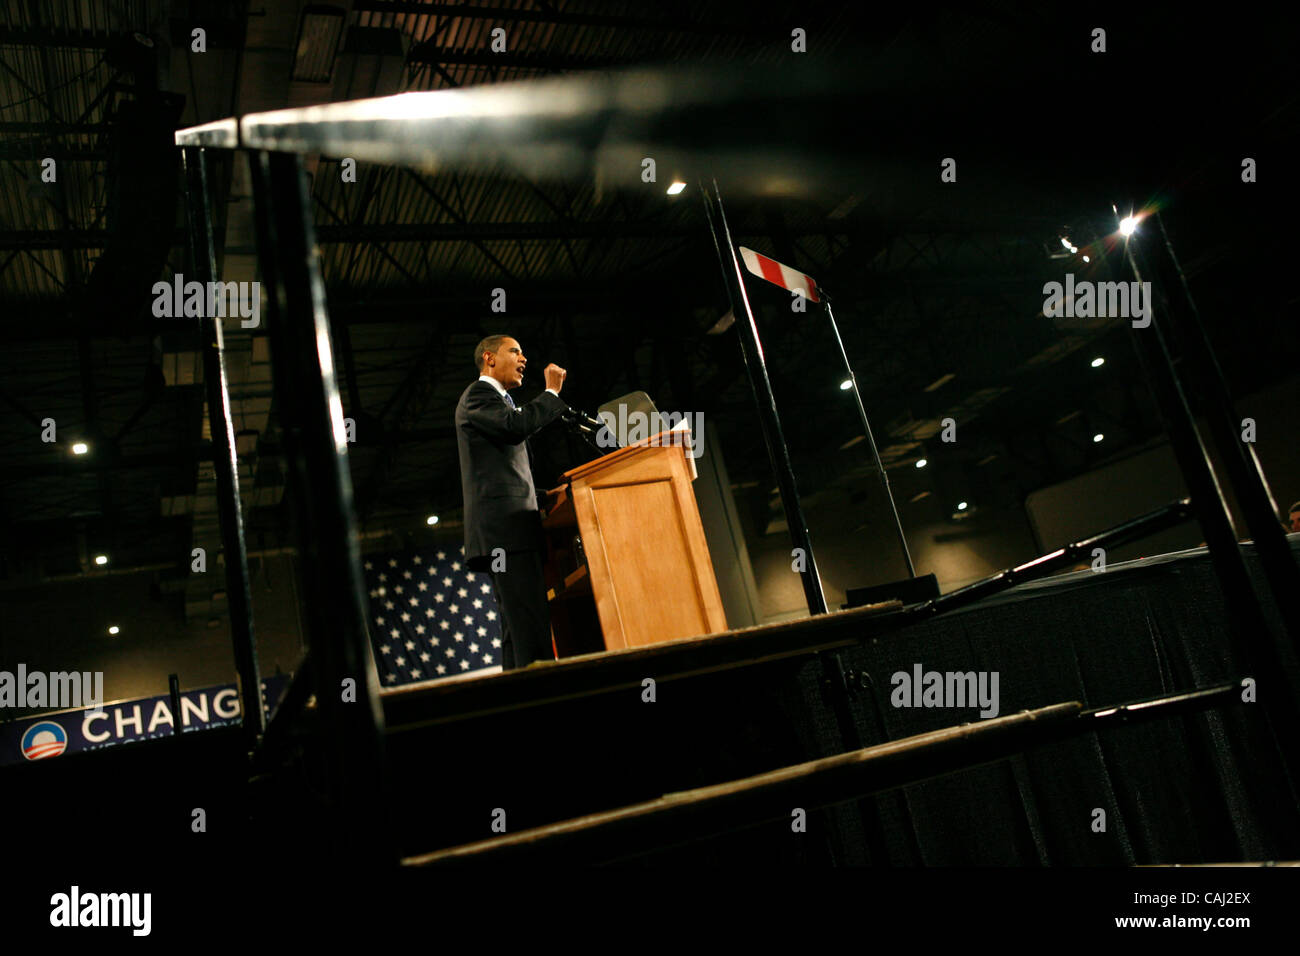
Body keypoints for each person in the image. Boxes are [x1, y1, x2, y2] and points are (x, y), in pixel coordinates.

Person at [455, 335, 568, 670]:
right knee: (529, 623)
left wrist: (544, 496)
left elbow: (502, 469)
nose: (524, 359)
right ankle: (544, 700)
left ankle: (518, 702)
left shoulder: (497, 401)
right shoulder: (479, 394)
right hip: (506, 534)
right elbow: (515, 426)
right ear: (489, 358)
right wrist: (551, 394)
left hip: (511, 531)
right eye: (515, 351)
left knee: (517, 627)